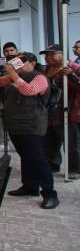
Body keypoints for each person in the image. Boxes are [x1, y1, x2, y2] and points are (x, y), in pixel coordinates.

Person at [0, 52, 59, 209]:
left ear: (32, 63)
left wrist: (13, 73)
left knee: (37, 158)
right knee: (25, 156)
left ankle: (50, 193)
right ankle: (30, 186)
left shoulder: (39, 77)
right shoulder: (12, 78)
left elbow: (29, 90)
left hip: (32, 125)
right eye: (15, 61)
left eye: (21, 61)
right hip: (15, 124)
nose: (17, 64)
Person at [41, 44, 80, 179]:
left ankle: (74, 169)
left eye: (52, 54)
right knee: (50, 141)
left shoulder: (74, 67)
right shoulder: (46, 69)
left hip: (66, 110)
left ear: (62, 54)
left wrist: (71, 75)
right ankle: (52, 164)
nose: (48, 57)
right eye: (46, 55)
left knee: (70, 143)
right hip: (50, 111)